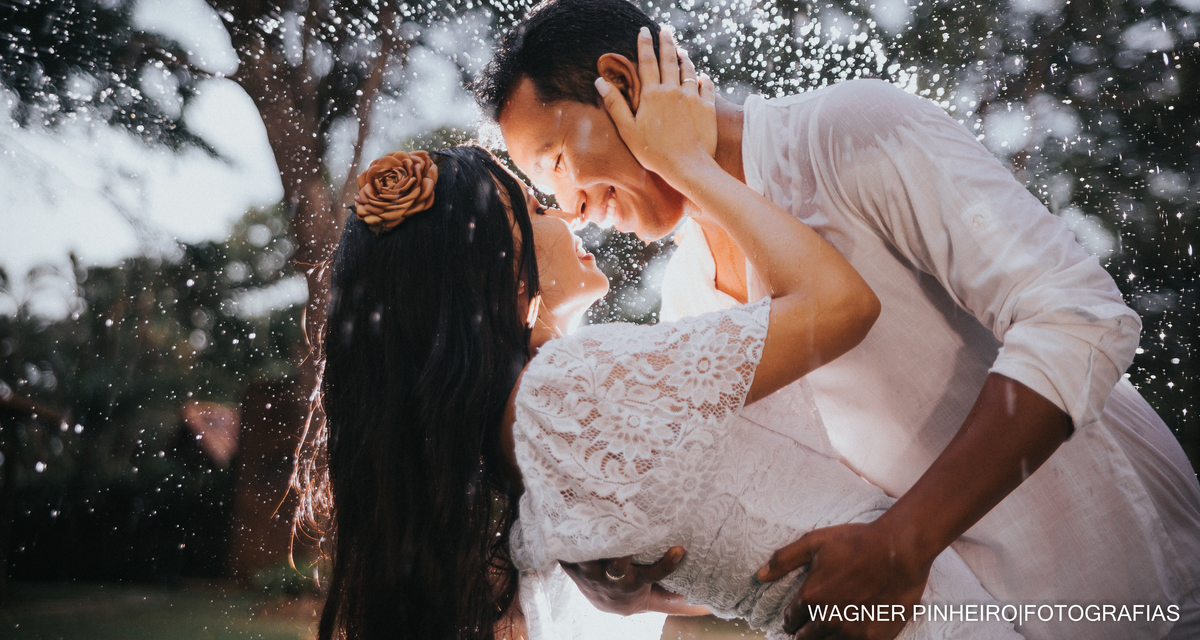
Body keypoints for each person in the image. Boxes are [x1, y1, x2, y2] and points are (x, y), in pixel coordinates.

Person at [475, 0, 1200, 639]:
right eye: (545, 189)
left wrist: (907, 539)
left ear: (625, 84)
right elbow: (821, 540)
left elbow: (1078, 316)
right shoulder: (689, 299)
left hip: (1141, 582)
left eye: (559, 161)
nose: (570, 207)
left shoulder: (849, 134)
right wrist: (649, 592)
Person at [296, 121, 1027, 639]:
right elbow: (841, 306)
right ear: (499, 268)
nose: (572, 215)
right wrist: (690, 163)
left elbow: (741, 563)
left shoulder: (524, 442)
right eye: (541, 207)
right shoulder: (566, 393)